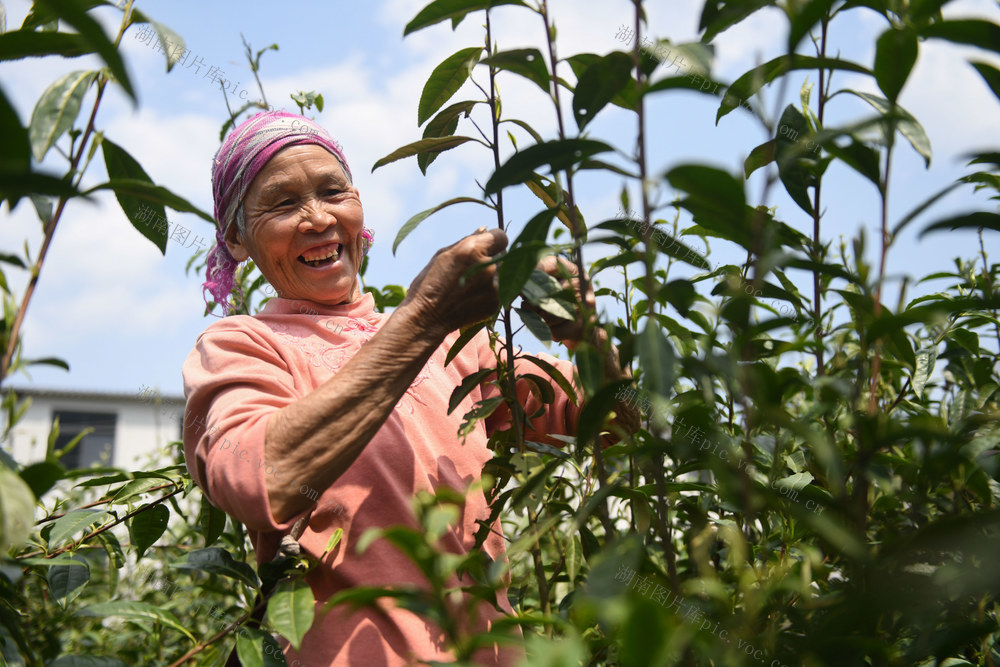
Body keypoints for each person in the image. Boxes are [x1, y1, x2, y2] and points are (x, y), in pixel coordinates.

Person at [182, 111, 633, 666]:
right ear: (237, 239)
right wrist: (422, 318)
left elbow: (621, 430)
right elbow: (261, 483)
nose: (318, 218)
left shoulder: (458, 343)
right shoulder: (242, 345)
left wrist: (588, 337)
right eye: (282, 203)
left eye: (333, 191)